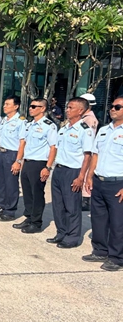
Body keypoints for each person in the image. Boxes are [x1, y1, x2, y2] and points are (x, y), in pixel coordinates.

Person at [82, 96, 123, 271]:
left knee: (118, 223)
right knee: (98, 219)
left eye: (117, 107)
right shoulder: (104, 130)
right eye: (112, 106)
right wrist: (90, 176)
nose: (112, 109)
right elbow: (95, 154)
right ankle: (100, 250)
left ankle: (117, 258)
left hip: (117, 183)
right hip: (99, 181)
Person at [47, 97, 94, 249]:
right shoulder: (64, 129)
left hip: (73, 171)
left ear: (80, 111)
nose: (67, 110)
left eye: (71, 108)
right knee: (58, 205)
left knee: (72, 206)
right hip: (59, 169)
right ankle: (61, 232)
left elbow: (87, 155)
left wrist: (81, 177)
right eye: (67, 107)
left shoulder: (85, 130)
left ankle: (72, 237)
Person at [13, 98, 58, 234]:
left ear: (42, 108)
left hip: (39, 163)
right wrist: (19, 160)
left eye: (34, 106)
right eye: (30, 106)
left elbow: (53, 147)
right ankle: (29, 217)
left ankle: (36, 222)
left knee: (37, 193)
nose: (30, 108)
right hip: (27, 162)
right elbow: (23, 144)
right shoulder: (29, 125)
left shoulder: (49, 126)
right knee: (27, 192)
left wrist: (48, 167)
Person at [0, 96, 27, 222]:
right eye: (4, 104)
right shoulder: (4, 120)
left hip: (12, 154)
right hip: (2, 153)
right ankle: (3, 206)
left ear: (16, 106)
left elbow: (22, 142)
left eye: (7, 104)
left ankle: (10, 211)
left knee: (11, 183)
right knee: (2, 183)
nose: (4, 106)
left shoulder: (21, 122)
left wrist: (18, 161)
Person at [80, 92, 99, 211]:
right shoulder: (84, 117)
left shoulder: (90, 119)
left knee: (86, 173)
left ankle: (86, 199)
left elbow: (89, 136)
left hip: (87, 150)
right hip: (82, 150)